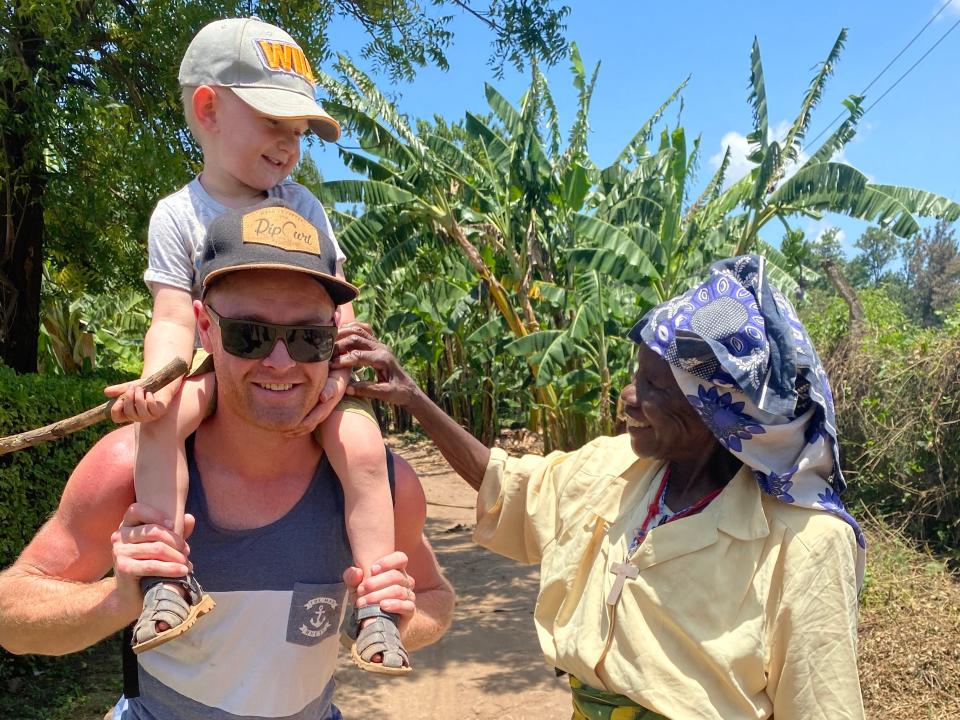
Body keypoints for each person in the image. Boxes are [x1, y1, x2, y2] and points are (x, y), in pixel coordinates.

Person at [334, 254, 867, 720]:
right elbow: (507, 483)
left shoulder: (805, 540)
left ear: (718, 411)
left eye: (656, 385)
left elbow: (821, 703)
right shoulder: (617, 468)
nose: (628, 397)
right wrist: (414, 399)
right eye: (636, 376)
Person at [0, 203, 454, 719]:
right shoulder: (128, 465)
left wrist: (401, 616)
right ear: (204, 328)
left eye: (308, 337)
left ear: (335, 338)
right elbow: (9, 614)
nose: (280, 362)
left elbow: (435, 599)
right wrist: (118, 600)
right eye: (249, 334)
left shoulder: (382, 481)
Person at [101, 17, 405, 671]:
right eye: (273, 123)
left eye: (299, 132)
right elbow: (174, 317)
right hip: (219, 369)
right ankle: (165, 580)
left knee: (361, 446)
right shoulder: (178, 214)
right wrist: (157, 383)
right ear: (208, 108)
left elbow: (338, 308)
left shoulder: (308, 209)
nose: (289, 146)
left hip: (302, 368)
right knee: (158, 430)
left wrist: (335, 379)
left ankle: (377, 603)